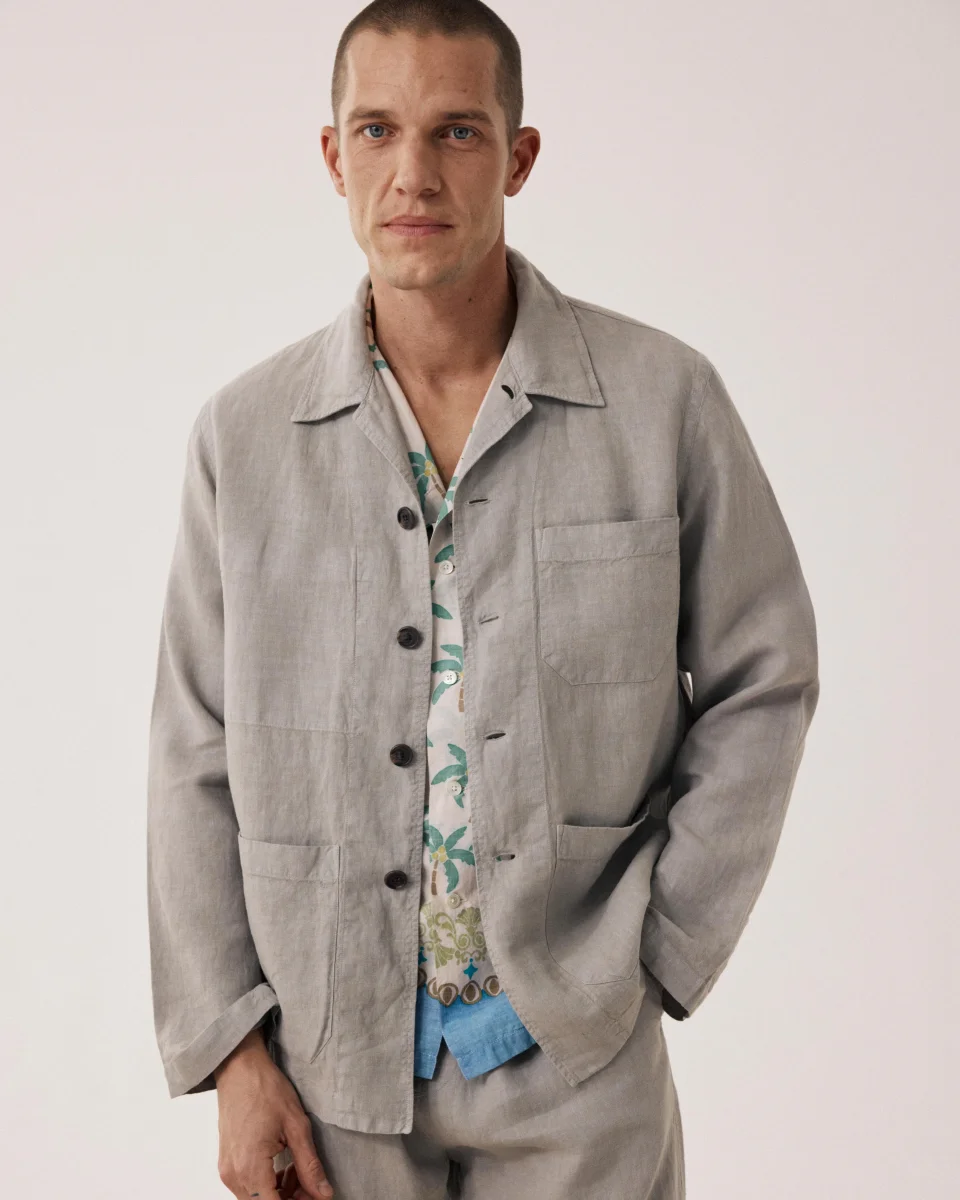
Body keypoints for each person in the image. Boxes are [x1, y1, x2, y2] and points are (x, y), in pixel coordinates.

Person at [146, 2, 820, 1197]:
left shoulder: (661, 402)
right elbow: (192, 752)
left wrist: (662, 952)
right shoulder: (242, 439)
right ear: (332, 156)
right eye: (377, 130)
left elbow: (764, 675)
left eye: (457, 131)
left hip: (581, 1062)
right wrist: (233, 1051)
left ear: (518, 156)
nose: (413, 173)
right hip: (324, 1070)